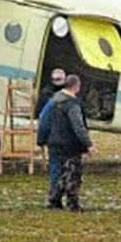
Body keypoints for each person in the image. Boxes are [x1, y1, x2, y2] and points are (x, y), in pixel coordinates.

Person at [47, 75, 96, 211]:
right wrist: (88, 144)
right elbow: (78, 126)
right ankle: (73, 204)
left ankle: (54, 199)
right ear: (76, 86)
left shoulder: (55, 101)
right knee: (73, 175)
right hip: (70, 144)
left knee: (63, 174)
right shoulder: (72, 105)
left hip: (56, 141)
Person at [36, 68, 66, 206]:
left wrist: (41, 139)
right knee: (69, 168)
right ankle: (70, 198)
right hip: (66, 137)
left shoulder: (47, 97)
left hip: (54, 137)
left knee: (56, 168)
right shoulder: (71, 97)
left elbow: (42, 119)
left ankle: (55, 197)